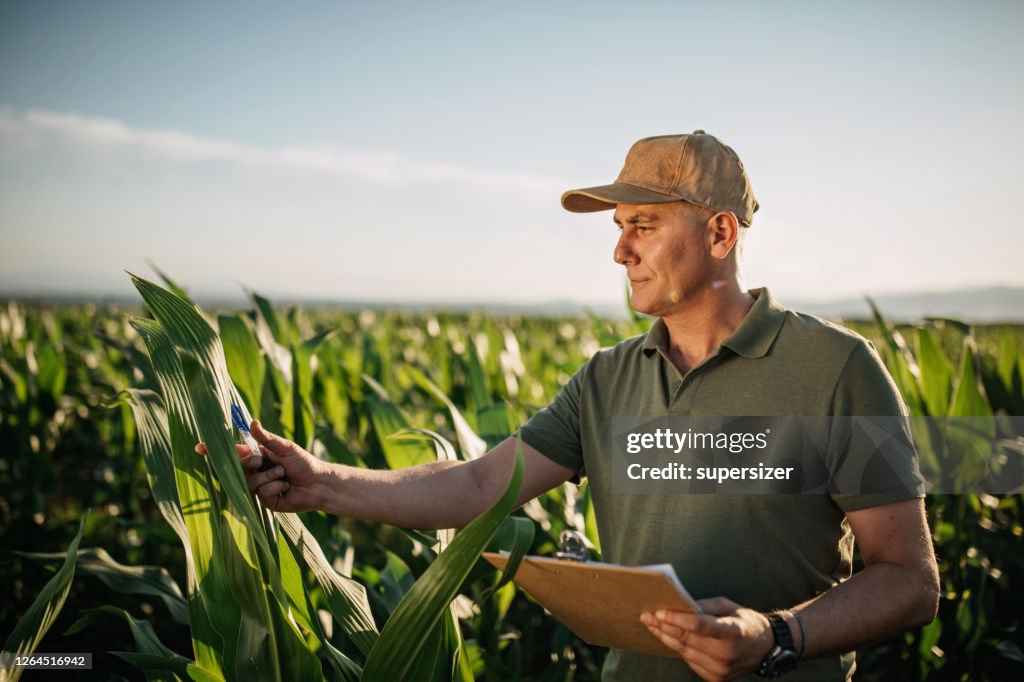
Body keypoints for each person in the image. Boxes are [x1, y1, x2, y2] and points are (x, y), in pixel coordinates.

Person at [215, 131, 939, 681]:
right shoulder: (605, 380)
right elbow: (475, 486)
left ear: (720, 233)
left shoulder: (839, 369)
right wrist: (323, 482)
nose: (620, 252)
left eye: (644, 226)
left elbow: (910, 580)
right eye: (617, 227)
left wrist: (774, 635)